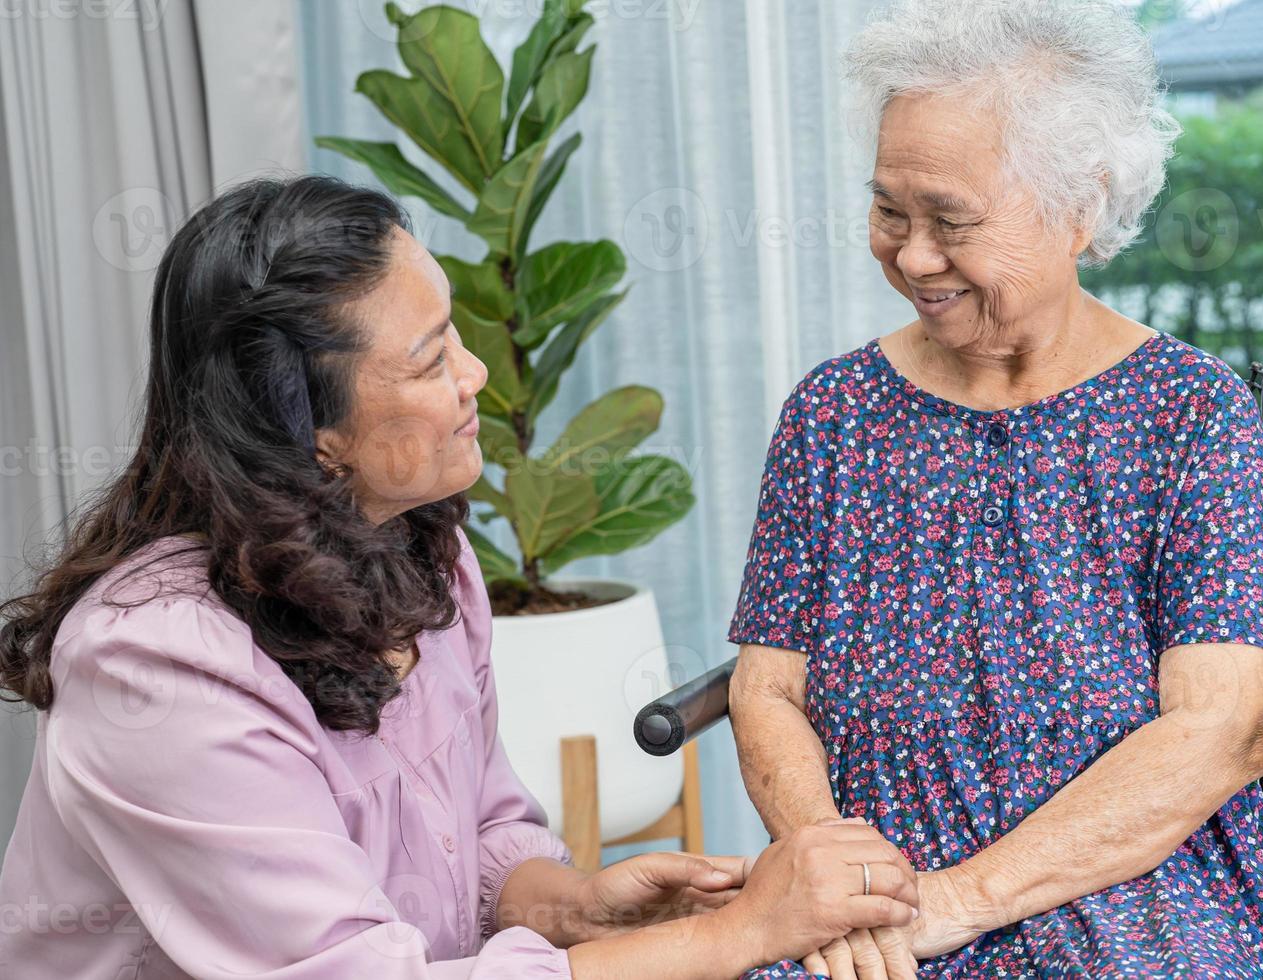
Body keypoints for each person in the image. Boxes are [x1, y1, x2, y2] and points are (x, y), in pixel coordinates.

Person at [0, 175, 922, 979]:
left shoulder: (419, 552)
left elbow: (481, 831)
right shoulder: (157, 665)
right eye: (433, 358)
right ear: (309, 435)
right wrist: (733, 940)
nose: (476, 372)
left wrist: (575, 908)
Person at [725, 0, 1263, 976]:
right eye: (890, 210)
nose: (912, 255)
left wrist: (956, 903)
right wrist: (840, 885)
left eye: (951, 220)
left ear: (1081, 205)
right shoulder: (829, 413)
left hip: (1133, 891)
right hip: (871, 901)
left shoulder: (1188, 413)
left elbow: (1227, 727)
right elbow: (766, 688)